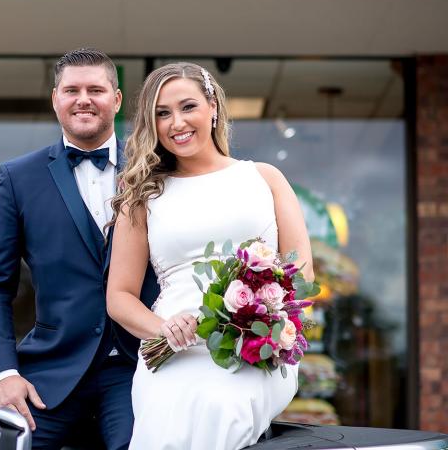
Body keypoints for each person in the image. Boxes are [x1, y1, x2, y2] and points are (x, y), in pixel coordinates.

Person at [106, 62, 315, 450]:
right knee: (165, 423)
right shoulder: (142, 197)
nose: (176, 123)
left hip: (253, 346)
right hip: (174, 352)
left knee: (220, 408)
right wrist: (162, 328)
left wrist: (260, 311)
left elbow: (300, 268)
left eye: (188, 107)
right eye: (162, 114)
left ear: (213, 105)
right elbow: (118, 297)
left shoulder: (264, 178)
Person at [0, 48, 158, 450]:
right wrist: (3, 374)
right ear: (55, 98)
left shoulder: (156, 171)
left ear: (117, 99)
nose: (83, 99)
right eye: (71, 90)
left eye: (96, 89)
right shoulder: (18, 178)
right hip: (50, 373)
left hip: (137, 367)